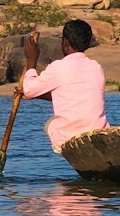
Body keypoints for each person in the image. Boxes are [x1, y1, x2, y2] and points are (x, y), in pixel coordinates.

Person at [20, 19, 109, 153]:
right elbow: (70, 94)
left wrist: (31, 59)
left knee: (49, 124)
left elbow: (28, 90)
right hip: (98, 131)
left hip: (68, 136)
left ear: (65, 43)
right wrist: (37, 95)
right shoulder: (96, 67)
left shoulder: (58, 67)